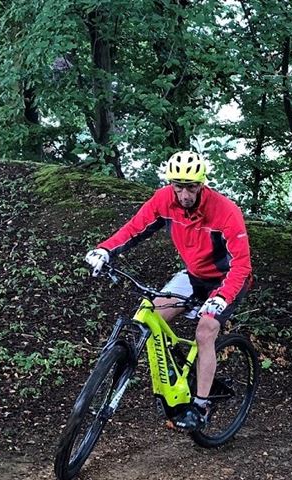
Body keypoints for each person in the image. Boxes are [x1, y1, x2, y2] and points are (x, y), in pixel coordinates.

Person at [83, 150, 254, 431]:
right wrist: (105, 250)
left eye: (191, 187)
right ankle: (175, 376)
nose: (184, 195)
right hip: (194, 275)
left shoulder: (225, 211)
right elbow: (134, 229)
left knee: (205, 331)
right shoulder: (164, 200)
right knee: (147, 316)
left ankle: (200, 405)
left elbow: (241, 266)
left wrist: (221, 298)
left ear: (202, 184)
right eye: (178, 186)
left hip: (226, 281)